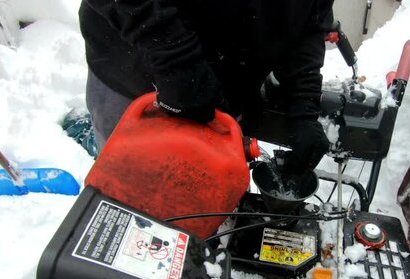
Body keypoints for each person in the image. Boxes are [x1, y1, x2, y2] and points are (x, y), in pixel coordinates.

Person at [79, 0, 333, 172]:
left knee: (205, 208)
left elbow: (311, 18)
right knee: (134, 213)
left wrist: (304, 104)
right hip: (135, 76)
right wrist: (176, 59)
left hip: (224, 95)